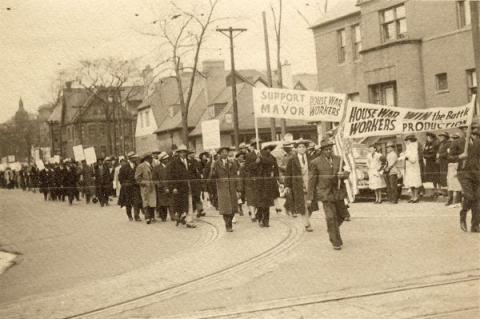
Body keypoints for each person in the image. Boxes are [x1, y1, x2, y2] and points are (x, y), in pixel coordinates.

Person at [308, 138, 350, 250]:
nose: (328, 151)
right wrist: (310, 197)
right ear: (321, 150)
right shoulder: (315, 162)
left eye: (330, 149)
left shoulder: (339, 159)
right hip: (325, 193)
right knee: (331, 218)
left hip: (338, 192)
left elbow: (347, 171)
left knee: (343, 215)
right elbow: (312, 180)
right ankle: (336, 242)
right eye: (326, 149)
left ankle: (332, 228)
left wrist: (344, 174)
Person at [285, 139, 313, 232]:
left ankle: (307, 218)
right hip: (298, 185)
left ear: (306, 148)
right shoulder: (292, 160)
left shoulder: (310, 158)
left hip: (310, 183)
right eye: (299, 147)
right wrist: (287, 185)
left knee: (311, 205)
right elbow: (288, 173)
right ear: (296, 149)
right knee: (303, 204)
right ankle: (306, 223)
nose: (302, 148)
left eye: (303, 147)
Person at [212, 146, 241, 232]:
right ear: (220, 154)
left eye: (226, 152)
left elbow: (236, 176)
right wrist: (212, 168)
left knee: (232, 208)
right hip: (222, 188)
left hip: (232, 188)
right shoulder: (216, 164)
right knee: (225, 208)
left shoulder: (232, 163)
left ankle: (230, 223)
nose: (225, 153)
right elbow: (213, 177)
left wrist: (238, 188)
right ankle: (228, 225)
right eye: (223, 152)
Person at [458, 123, 480, 232]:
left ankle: (475, 225)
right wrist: (459, 156)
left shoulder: (478, 142)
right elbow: (447, 156)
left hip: (476, 173)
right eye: (464, 128)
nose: (467, 130)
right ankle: (463, 215)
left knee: (477, 199)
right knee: (469, 196)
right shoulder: (457, 142)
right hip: (464, 173)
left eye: (468, 128)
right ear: (462, 130)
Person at [168, 144, 197, 228]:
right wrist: (173, 187)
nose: (183, 154)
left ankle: (189, 221)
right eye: (181, 152)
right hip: (179, 187)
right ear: (178, 153)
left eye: (184, 152)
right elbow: (171, 176)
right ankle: (180, 217)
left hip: (189, 185)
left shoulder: (190, 162)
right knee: (181, 203)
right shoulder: (174, 163)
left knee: (190, 203)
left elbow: (193, 174)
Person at [255, 144, 280, 228]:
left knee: (267, 203)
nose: (268, 151)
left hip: (269, 183)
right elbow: (253, 168)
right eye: (267, 149)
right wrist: (258, 161)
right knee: (261, 203)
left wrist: (277, 179)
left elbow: (275, 167)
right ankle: (260, 219)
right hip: (260, 183)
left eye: (270, 149)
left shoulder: (272, 158)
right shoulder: (258, 157)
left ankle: (266, 221)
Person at [118, 153, 143, 221]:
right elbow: (120, 178)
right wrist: (126, 184)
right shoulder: (124, 167)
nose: (135, 159)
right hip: (127, 188)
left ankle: (136, 216)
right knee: (128, 203)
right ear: (130, 158)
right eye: (134, 158)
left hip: (135, 187)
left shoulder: (137, 166)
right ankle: (129, 215)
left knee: (136, 201)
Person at [135, 153, 157, 224]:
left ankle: (152, 216)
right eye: (151, 158)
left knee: (152, 202)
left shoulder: (151, 166)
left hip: (152, 187)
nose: (152, 160)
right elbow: (137, 178)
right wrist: (144, 183)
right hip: (145, 187)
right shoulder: (141, 166)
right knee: (146, 202)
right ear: (147, 159)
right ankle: (147, 217)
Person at [401, 135, 422, 203]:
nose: (407, 142)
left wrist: (407, 158)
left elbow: (413, 160)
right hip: (409, 168)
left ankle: (416, 197)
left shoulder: (414, 148)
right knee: (411, 183)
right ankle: (412, 197)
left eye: (408, 141)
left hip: (414, 168)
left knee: (415, 183)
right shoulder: (409, 148)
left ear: (411, 141)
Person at [152, 152, 173, 222]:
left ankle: (172, 216)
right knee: (162, 203)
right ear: (161, 160)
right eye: (165, 159)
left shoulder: (170, 167)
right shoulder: (156, 168)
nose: (167, 160)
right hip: (161, 189)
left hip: (170, 187)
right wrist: (160, 186)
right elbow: (154, 179)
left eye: (167, 159)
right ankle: (163, 216)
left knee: (171, 202)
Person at [446, 132, 464, 207]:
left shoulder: (459, 146)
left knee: (457, 183)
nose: (453, 140)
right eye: (453, 138)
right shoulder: (450, 146)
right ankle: (451, 200)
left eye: (455, 138)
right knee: (450, 183)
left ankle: (457, 201)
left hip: (456, 164)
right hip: (451, 165)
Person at [244, 140, 260, 222]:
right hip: (252, 179)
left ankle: (256, 213)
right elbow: (246, 167)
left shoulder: (263, 154)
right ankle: (253, 215)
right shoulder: (249, 155)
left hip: (261, 179)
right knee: (251, 197)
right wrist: (255, 163)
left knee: (259, 197)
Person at [423, 132, 440, 196]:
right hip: (429, 163)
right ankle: (435, 190)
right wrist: (427, 155)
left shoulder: (436, 144)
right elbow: (424, 153)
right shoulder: (427, 144)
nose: (427, 138)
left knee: (437, 176)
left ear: (431, 137)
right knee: (432, 177)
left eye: (428, 137)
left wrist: (427, 155)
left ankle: (439, 189)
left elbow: (434, 154)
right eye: (427, 137)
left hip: (434, 162)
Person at [436, 132, 450, 196]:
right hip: (441, 162)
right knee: (442, 176)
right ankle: (444, 191)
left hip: (445, 162)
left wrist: (440, 155)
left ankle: (447, 191)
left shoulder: (448, 143)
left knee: (445, 175)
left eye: (442, 136)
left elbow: (448, 153)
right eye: (440, 136)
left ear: (445, 137)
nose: (440, 138)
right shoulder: (441, 144)